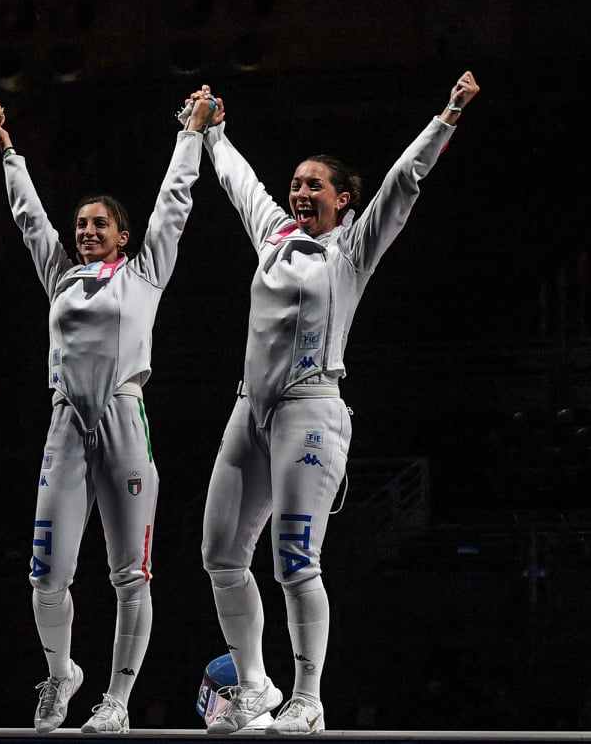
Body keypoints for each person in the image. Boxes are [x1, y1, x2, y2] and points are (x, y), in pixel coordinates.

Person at [199, 71, 480, 735]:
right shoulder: (271, 233)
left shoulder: (351, 249)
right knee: (220, 556)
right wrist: (213, 133)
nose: (299, 193)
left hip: (311, 411)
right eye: (295, 183)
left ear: (342, 199)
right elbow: (239, 182)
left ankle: (308, 698)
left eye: (313, 186)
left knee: (295, 560)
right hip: (250, 412)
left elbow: (402, 186)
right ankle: (256, 688)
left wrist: (446, 116)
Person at [0, 89, 215, 734]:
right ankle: (61, 673)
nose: (85, 232)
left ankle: (117, 699)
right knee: (45, 578)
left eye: (98, 224)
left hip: (122, 422)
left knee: (128, 575)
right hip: (64, 427)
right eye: (80, 224)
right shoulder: (59, 275)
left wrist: (191, 133)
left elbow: (175, 203)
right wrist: (9, 154)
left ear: (123, 234)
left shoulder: (144, 276)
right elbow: (30, 221)